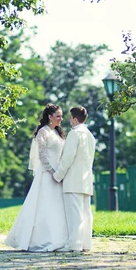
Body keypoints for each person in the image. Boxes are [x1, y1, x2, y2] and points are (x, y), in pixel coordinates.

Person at [4, 103, 69, 252]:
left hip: (59, 173)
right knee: (44, 206)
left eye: (61, 115)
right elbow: (42, 155)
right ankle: (40, 239)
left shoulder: (59, 134)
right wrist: (52, 172)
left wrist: (61, 172)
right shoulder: (43, 133)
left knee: (58, 207)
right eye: (58, 116)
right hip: (47, 174)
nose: (61, 119)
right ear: (50, 116)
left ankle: (59, 238)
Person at [53, 106, 96, 252]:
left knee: (74, 215)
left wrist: (57, 175)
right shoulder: (89, 135)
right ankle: (85, 244)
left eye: (70, 117)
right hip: (86, 180)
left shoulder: (74, 133)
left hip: (72, 180)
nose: (69, 120)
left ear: (75, 119)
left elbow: (67, 158)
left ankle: (73, 245)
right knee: (86, 214)